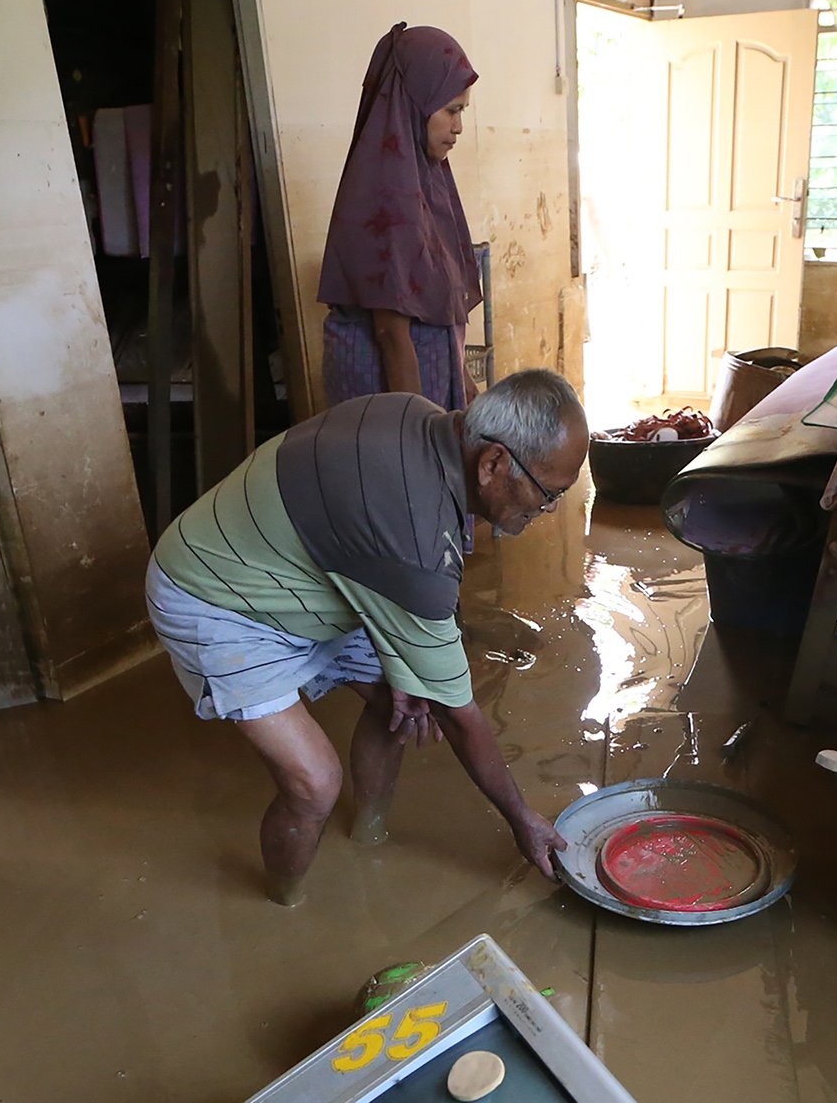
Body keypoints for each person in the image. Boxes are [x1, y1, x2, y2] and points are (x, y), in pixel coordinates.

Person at [145, 370, 589, 905]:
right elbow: (459, 715)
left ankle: (369, 834)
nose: (550, 508)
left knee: (399, 706)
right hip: (215, 595)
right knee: (314, 784)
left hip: (312, 569)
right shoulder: (415, 550)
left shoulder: (414, 412)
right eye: (549, 492)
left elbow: (374, 544)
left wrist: (409, 669)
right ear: (492, 463)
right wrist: (521, 819)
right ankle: (283, 903)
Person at [318, 23, 481, 409]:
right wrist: (415, 431)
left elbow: (440, 305)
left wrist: (463, 383)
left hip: (421, 395)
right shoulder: (385, 192)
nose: (458, 127)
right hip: (394, 407)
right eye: (451, 110)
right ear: (415, 105)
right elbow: (391, 334)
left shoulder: (426, 180)